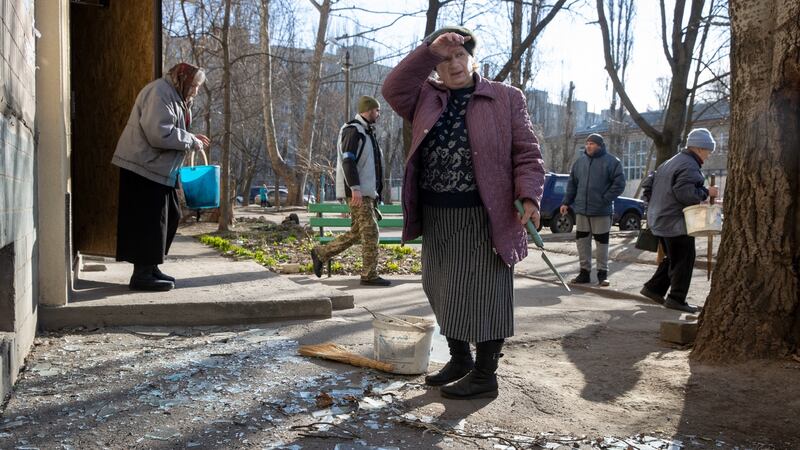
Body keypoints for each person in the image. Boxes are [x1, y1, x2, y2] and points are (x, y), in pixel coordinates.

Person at [382, 26, 545, 400]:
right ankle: (460, 360)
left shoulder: (505, 98)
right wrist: (428, 51)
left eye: (459, 55)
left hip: (486, 213)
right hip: (439, 212)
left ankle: (486, 374)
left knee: (487, 292)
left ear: (473, 57)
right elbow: (392, 88)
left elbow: (527, 153)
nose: (453, 64)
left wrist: (530, 196)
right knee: (440, 286)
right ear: (435, 67)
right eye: (444, 59)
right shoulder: (424, 96)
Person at [111, 63, 210, 291]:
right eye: (193, 86)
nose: (195, 91)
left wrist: (190, 137)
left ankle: (151, 267)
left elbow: (170, 129)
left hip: (158, 169)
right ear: (182, 79)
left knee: (170, 216)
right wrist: (191, 140)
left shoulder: (175, 96)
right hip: (143, 166)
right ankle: (142, 275)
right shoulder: (160, 92)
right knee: (150, 222)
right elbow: (159, 133)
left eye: (197, 87)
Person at [309, 96, 390, 287]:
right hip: (357, 192)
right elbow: (348, 160)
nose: (378, 114)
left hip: (366, 192)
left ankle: (321, 253)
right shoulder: (353, 130)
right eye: (377, 111)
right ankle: (369, 274)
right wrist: (355, 189)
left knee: (358, 232)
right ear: (368, 110)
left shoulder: (367, 132)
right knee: (371, 232)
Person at [639, 128, 719, 313]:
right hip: (675, 221)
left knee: (673, 257)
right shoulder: (689, 165)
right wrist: (707, 192)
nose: (708, 155)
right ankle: (676, 299)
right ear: (699, 148)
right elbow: (685, 194)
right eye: (708, 151)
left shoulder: (671, 162)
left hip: (659, 218)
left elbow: (648, 185)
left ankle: (653, 289)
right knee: (685, 259)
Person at [560, 133, 625, 286]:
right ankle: (584, 273)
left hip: (602, 211)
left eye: (592, 143)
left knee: (602, 244)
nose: (588, 146)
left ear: (600, 146)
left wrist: (605, 199)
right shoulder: (579, 163)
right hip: (582, 211)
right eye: (587, 143)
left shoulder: (612, 162)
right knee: (582, 243)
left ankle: (602, 274)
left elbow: (619, 184)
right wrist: (566, 202)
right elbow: (572, 185)